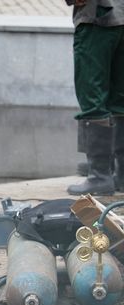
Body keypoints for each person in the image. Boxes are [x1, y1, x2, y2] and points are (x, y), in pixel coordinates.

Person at [66, 0, 124, 196]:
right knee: (120, 99)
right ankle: (121, 175)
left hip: (98, 17)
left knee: (92, 98)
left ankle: (99, 176)